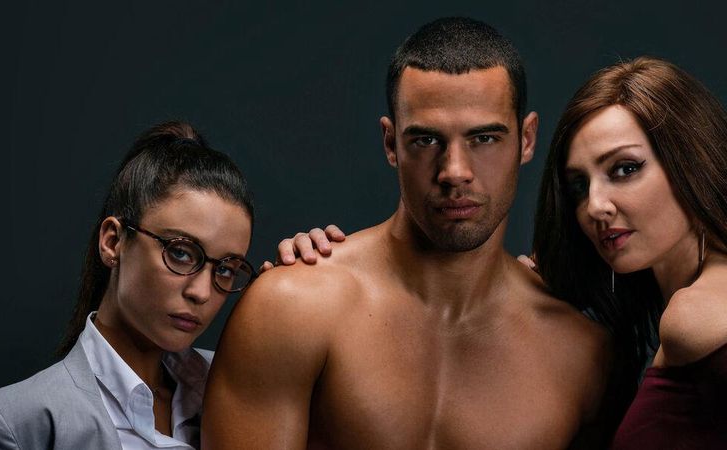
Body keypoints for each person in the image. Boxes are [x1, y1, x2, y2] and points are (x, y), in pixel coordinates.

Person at [202, 17, 614, 449]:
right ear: (391, 143)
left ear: (527, 140)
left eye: (484, 138)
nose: (454, 171)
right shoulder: (292, 308)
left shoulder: (582, 356)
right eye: (426, 141)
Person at [0, 121, 257, 449]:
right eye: (180, 253)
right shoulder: (21, 423)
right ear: (113, 242)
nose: (201, 293)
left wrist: (300, 276)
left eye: (226, 269)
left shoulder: (243, 387)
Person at [533, 57, 727, 448]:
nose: (595, 206)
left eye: (624, 169)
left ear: (689, 163)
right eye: (579, 186)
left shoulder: (696, 314)